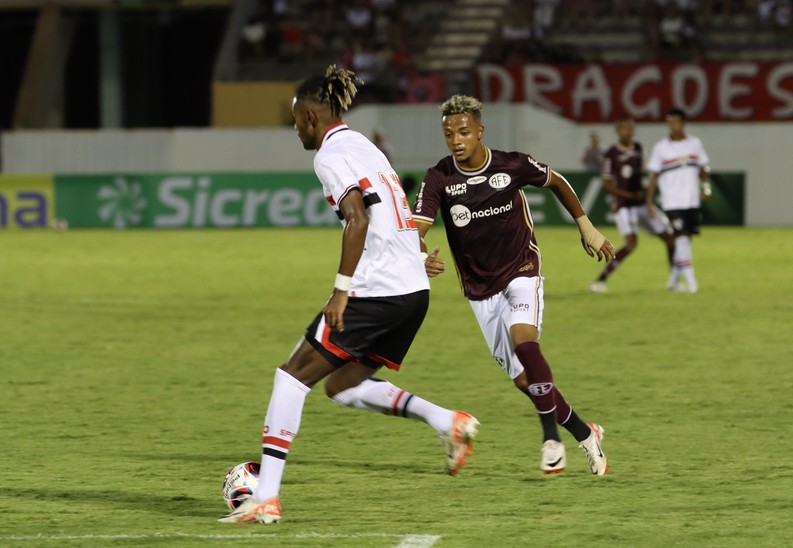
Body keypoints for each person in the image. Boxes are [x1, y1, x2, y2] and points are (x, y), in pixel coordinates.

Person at [219, 67, 478, 525]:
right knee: (342, 386)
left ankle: (267, 497)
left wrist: (341, 292)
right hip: (412, 293)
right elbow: (395, 210)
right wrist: (416, 259)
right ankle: (447, 422)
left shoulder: (330, 156)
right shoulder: (365, 145)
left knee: (291, 379)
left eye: (297, 120)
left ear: (312, 118)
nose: (295, 127)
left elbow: (358, 218)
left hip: (374, 291)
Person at [412, 94, 612, 476]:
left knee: (525, 340)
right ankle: (587, 433)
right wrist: (421, 255)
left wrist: (585, 225)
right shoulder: (440, 177)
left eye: (464, 132)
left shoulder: (512, 164)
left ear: (480, 131)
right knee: (525, 379)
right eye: (449, 133)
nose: (456, 139)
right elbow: (416, 228)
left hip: (522, 268)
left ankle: (550, 438)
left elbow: (557, 181)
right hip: (479, 288)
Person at [590, 116, 674, 293]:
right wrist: (627, 194)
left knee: (669, 237)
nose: (629, 130)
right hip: (624, 205)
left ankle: (674, 281)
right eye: (625, 128)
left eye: (631, 127)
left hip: (641, 203)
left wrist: (645, 194)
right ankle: (601, 280)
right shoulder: (611, 154)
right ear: (618, 131)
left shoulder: (638, 148)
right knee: (631, 243)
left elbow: (638, 174)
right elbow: (607, 184)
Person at [646, 107, 711, 294]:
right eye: (669, 122)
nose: (672, 126)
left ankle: (673, 281)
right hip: (672, 201)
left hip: (691, 200)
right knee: (681, 239)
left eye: (675, 122)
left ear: (683, 123)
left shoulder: (695, 144)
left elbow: (704, 168)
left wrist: (706, 188)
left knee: (686, 240)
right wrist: (649, 202)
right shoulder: (661, 148)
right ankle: (691, 282)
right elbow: (654, 176)